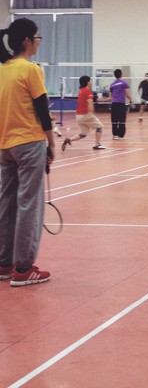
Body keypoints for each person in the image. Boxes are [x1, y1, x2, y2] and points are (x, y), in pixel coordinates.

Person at [0, 18, 53, 286]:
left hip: (5, 146)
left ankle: (4, 264)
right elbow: (42, 109)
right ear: (26, 41)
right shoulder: (31, 69)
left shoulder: (3, 70)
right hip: (29, 143)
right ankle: (23, 268)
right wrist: (51, 144)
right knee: (28, 204)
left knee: (7, 203)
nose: (39, 42)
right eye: (37, 37)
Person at [61, 76, 105, 151]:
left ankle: (69, 140)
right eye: (90, 80)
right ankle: (97, 144)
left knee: (84, 134)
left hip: (78, 116)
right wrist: (92, 115)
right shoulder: (87, 91)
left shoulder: (81, 90)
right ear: (88, 82)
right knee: (99, 126)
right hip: (86, 114)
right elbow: (90, 104)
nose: (91, 81)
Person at [109, 69, 133, 139]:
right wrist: (131, 100)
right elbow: (127, 94)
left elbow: (110, 96)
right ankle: (121, 135)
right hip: (121, 103)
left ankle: (115, 135)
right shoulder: (124, 83)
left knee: (114, 119)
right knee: (122, 119)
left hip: (114, 103)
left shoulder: (112, 84)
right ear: (121, 74)